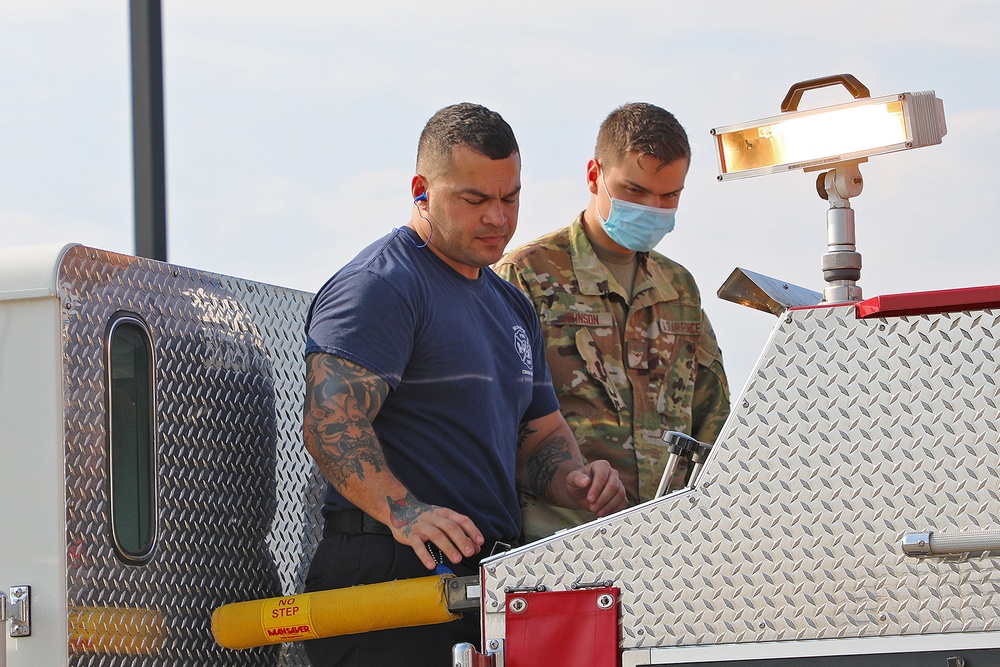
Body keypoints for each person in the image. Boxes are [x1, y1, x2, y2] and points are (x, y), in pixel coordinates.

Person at [301, 102, 627, 667]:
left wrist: (575, 482)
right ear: (421, 189)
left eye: (510, 198)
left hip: (482, 589)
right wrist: (405, 513)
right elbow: (331, 425)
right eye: (475, 200)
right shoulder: (382, 286)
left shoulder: (511, 306)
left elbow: (539, 434)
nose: (498, 218)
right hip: (388, 582)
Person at [494, 102, 730, 543]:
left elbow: (713, 417)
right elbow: (497, 418)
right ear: (593, 175)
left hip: (668, 540)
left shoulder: (679, 287)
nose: (652, 208)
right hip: (560, 540)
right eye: (634, 191)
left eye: (669, 196)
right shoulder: (525, 275)